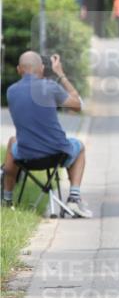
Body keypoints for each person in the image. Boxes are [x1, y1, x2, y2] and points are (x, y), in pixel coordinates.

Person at [1, 51, 91, 217]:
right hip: (57, 154)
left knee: (12, 141)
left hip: (26, 156)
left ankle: (7, 199)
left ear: (18, 70)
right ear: (42, 68)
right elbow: (78, 105)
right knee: (80, 147)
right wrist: (60, 74)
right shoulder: (50, 87)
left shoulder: (11, 91)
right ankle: (74, 198)